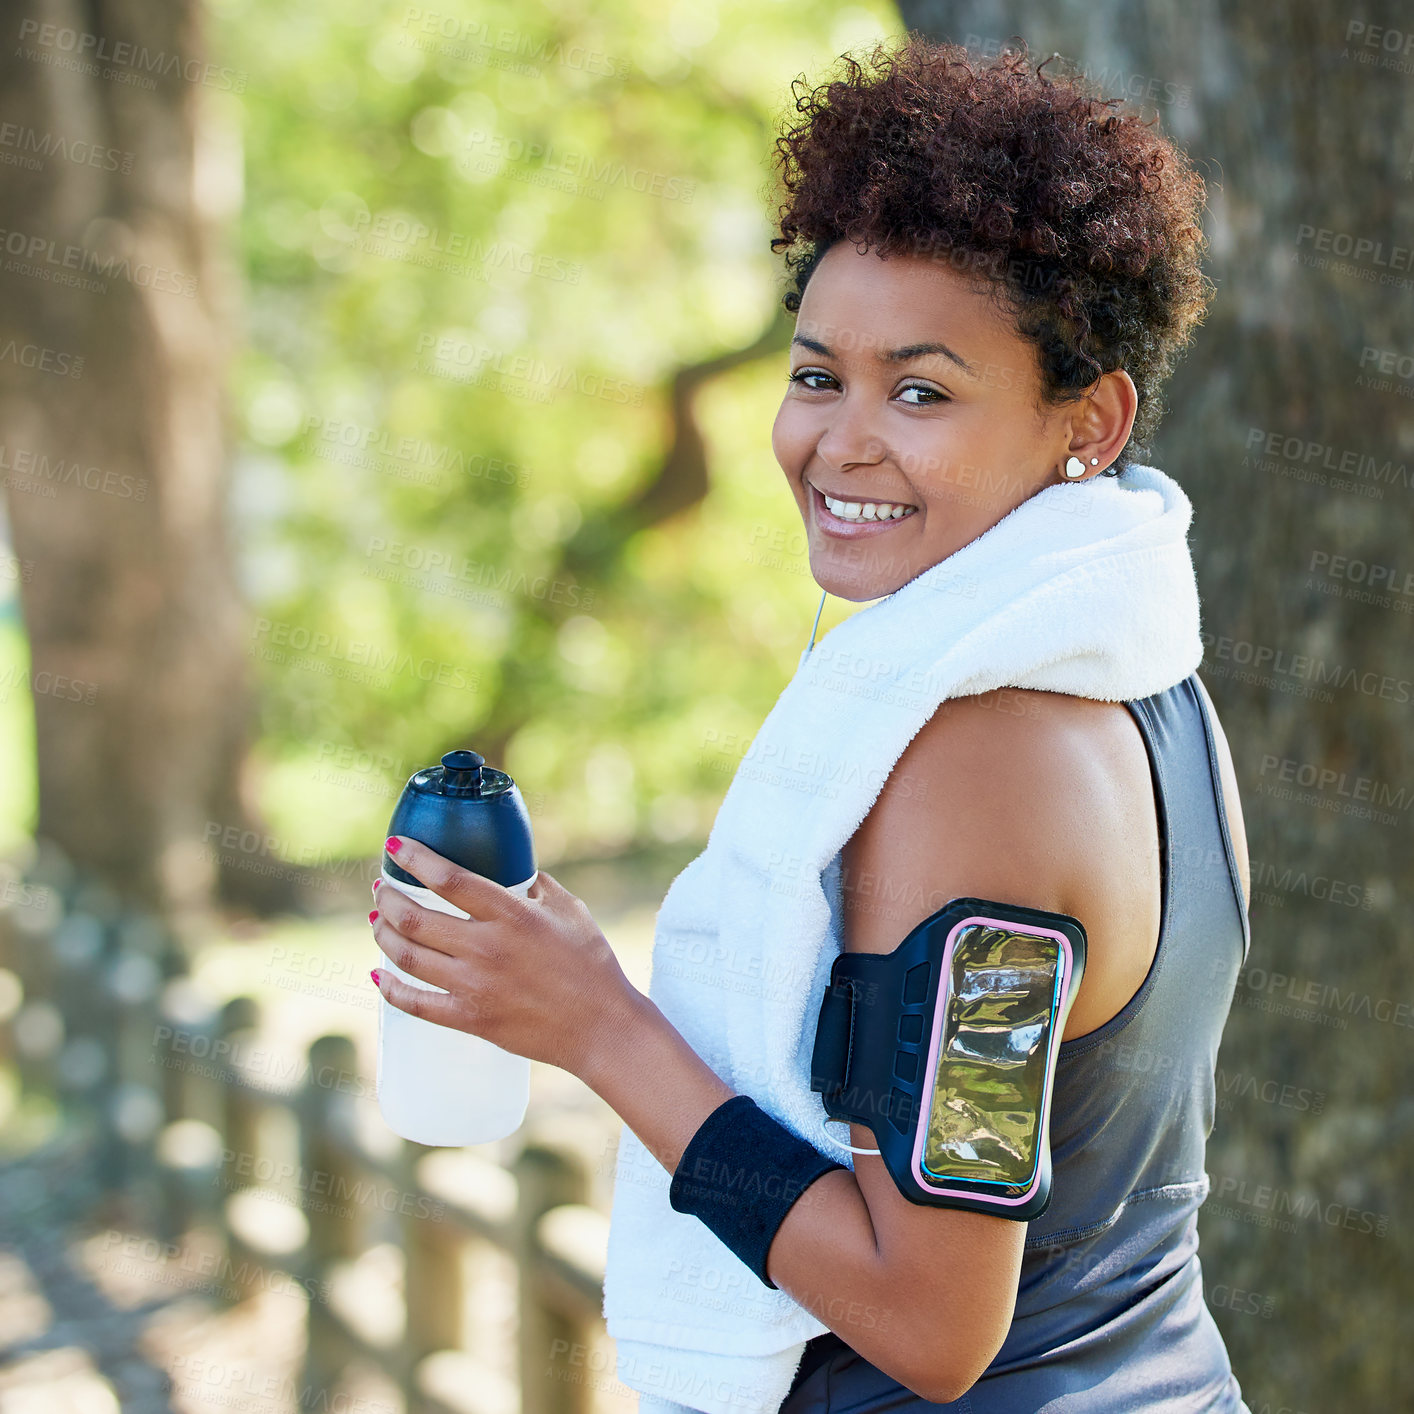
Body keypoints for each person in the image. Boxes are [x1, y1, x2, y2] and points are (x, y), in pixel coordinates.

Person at [369, 33, 1253, 1413]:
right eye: (813, 374)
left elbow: (930, 1316)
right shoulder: (1150, 688)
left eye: (921, 390)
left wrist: (601, 1027)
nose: (840, 441)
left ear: (1088, 421)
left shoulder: (989, 761)